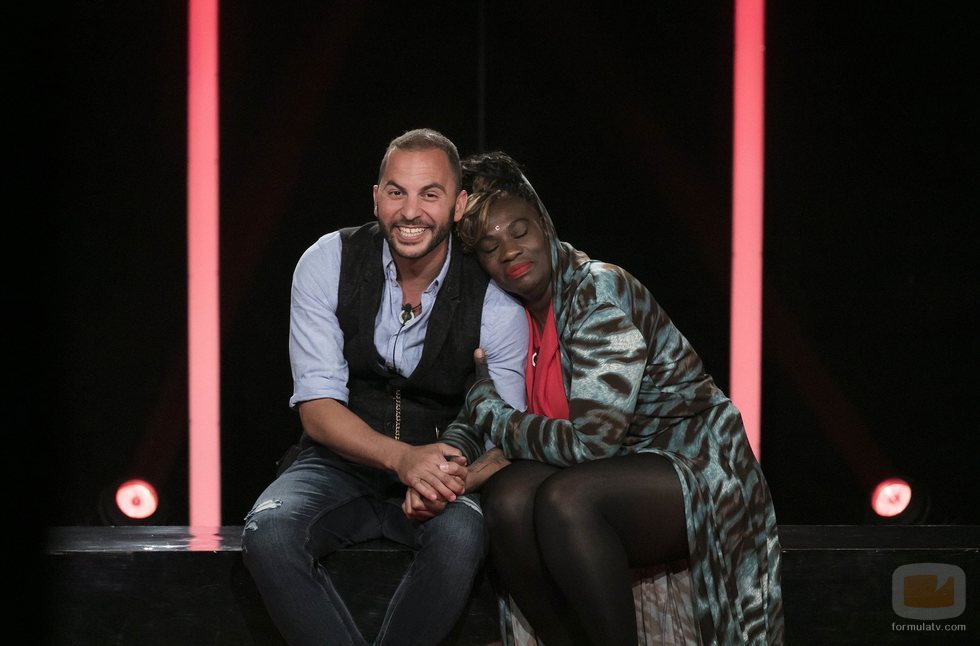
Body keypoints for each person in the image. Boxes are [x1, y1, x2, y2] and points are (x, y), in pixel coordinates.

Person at [437, 151, 785, 645]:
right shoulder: (509, 314)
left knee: (567, 499)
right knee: (508, 499)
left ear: (544, 225)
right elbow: (479, 405)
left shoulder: (598, 293)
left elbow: (589, 443)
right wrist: (443, 464)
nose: (510, 252)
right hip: (614, 466)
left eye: (520, 231)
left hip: (694, 464)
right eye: (490, 247)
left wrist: (490, 411)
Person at [241, 130, 528, 646]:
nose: (410, 211)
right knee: (269, 532)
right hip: (337, 465)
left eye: (430, 194)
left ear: (458, 205)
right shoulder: (328, 260)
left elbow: (505, 434)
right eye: (397, 192)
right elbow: (318, 409)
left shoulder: (494, 298)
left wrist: (444, 481)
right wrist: (402, 459)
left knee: (463, 536)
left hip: (441, 478)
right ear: (376, 198)